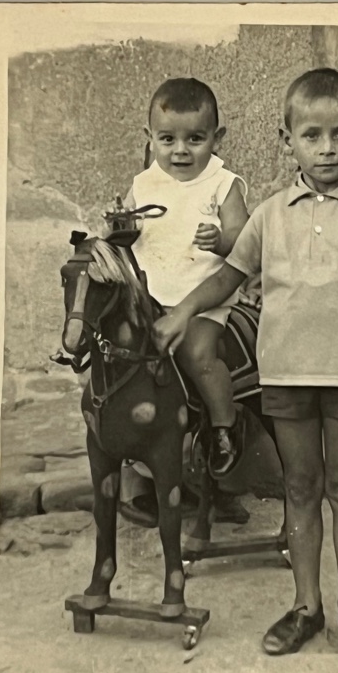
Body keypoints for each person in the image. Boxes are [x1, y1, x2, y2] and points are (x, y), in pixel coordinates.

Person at [153, 68, 338, 667]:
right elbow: (228, 275)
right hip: (286, 376)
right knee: (300, 488)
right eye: (312, 136)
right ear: (287, 139)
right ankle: (307, 606)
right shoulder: (269, 216)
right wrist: (183, 313)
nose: (326, 149)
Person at [111, 77, 250, 477]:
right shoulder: (143, 183)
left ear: (217, 137)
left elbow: (244, 244)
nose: (181, 151)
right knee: (120, 355)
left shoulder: (223, 185)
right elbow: (130, 230)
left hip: (203, 299)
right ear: (149, 137)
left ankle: (225, 424)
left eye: (195, 139)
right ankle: (135, 455)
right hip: (149, 298)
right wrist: (120, 226)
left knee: (197, 354)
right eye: (167, 139)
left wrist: (222, 239)